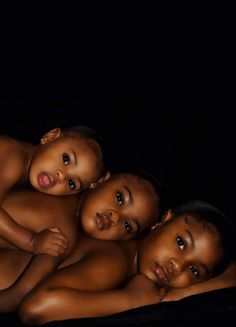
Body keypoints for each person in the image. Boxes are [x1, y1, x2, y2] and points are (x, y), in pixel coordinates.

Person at [0, 171, 161, 313]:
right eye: (119, 198)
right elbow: (18, 298)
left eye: (127, 225)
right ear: (100, 180)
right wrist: (132, 300)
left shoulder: (60, 209)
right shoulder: (63, 229)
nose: (115, 217)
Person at [0, 125, 105, 257]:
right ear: (50, 137)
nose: (61, 176)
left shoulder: (25, 173)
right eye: (66, 159)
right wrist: (31, 241)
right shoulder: (13, 157)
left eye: (71, 183)